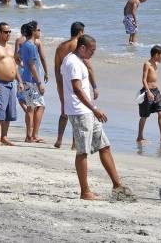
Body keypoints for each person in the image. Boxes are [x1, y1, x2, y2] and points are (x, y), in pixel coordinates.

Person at [61, 34, 136, 201]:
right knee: (82, 152)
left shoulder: (76, 60)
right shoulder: (73, 62)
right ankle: (85, 192)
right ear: (82, 48)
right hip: (80, 112)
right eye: (91, 50)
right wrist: (94, 108)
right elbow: (77, 89)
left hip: (87, 112)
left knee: (105, 146)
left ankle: (117, 185)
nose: (93, 54)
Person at [53, 22, 98, 149]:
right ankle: (74, 143)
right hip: (76, 83)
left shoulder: (61, 47)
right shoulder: (79, 47)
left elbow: (57, 69)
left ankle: (59, 140)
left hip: (63, 83)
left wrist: (59, 85)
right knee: (78, 111)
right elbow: (88, 67)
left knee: (64, 111)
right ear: (80, 33)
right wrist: (94, 86)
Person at [0, 22, 23, 145]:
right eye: (6, 32)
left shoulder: (10, 47)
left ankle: (4, 136)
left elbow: (14, 66)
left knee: (9, 111)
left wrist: (20, 81)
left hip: (11, 83)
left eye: (9, 32)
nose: (8, 34)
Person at [137, 46, 161, 144]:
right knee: (144, 115)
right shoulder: (147, 64)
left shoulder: (156, 64)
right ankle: (140, 137)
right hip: (147, 92)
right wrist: (148, 91)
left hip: (156, 91)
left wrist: (154, 90)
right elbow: (144, 79)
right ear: (156, 55)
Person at [20, 21, 47, 143]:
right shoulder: (30, 46)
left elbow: (18, 57)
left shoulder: (26, 44)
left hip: (27, 79)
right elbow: (32, 65)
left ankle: (30, 135)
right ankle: (32, 135)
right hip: (32, 81)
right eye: (39, 30)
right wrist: (39, 82)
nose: (40, 32)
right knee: (39, 106)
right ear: (33, 31)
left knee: (31, 107)